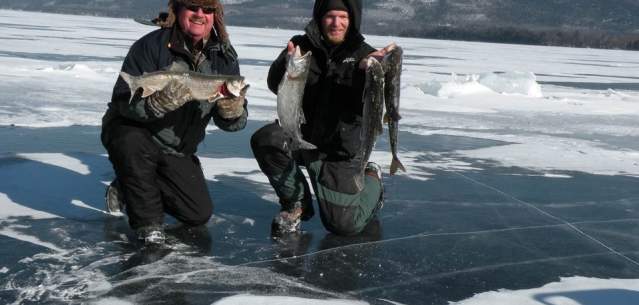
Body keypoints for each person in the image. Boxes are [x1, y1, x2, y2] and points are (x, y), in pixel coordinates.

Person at [101, 0, 247, 245]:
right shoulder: (151, 46)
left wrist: (232, 111)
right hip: (135, 133)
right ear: (178, 9)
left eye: (208, 9)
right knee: (131, 141)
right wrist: (154, 105)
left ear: (215, 15)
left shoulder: (223, 57)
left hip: (176, 149)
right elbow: (121, 100)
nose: (200, 15)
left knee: (197, 213)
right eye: (193, 7)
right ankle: (149, 226)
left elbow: (233, 125)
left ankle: (128, 183)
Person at [251, 0, 386, 236]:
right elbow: (275, 85)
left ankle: (372, 178)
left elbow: (369, 108)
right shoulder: (302, 46)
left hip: (339, 152)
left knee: (343, 225)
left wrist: (369, 75)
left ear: (352, 19)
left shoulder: (365, 55)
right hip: (301, 138)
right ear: (320, 18)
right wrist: (285, 63)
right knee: (267, 139)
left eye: (343, 17)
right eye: (330, 16)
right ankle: (296, 203)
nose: (336, 23)